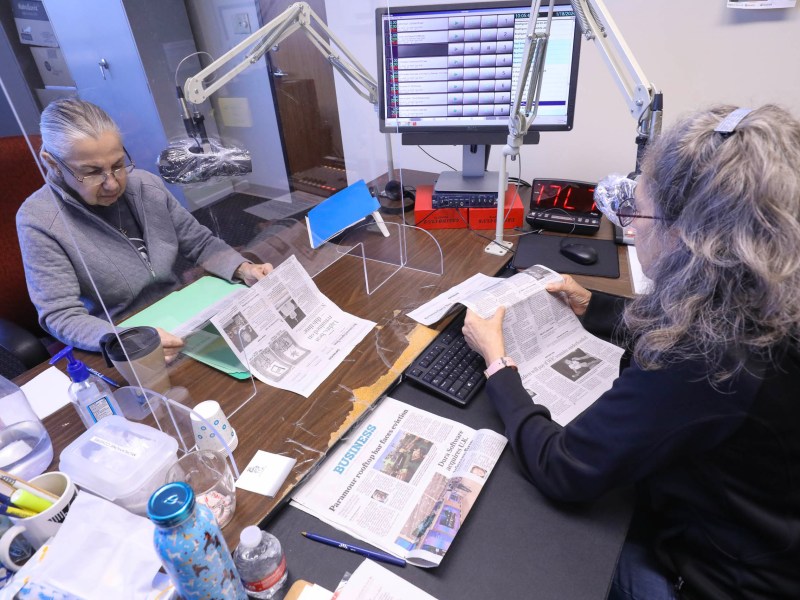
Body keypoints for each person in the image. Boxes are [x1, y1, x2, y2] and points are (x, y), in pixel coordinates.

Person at [463, 104, 800, 599]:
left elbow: (562, 469)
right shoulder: (767, 294)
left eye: (638, 213)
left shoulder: (706, 356)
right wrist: (593, 304)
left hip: (716, 581)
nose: (632, 229)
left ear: (692, 236)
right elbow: (673, 325)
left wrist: (497, 363)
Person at [17, 98, 273, 359]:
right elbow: (61, 315)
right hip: (122, 340)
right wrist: (128, 340)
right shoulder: (39, 219)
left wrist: (243, 268)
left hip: (181, 313)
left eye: (118, 165)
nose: (112, 184)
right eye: (92, 172)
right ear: (52, 163)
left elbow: (200, 243)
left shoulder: (145, 186)